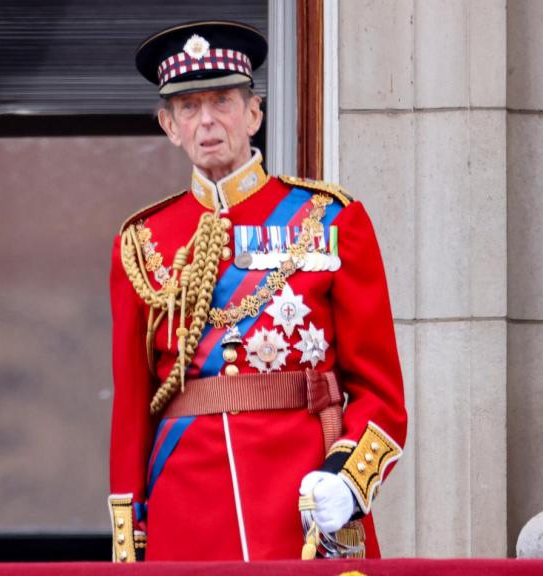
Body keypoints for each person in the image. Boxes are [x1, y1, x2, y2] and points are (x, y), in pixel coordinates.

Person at [107, 21, 407, 562]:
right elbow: (131, 413)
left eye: (222, 101)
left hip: (304, 497)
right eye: (188, 107)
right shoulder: (143, 241)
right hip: (186, 507)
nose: (207, 121)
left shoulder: (330, 220)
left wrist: (348, 479)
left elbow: (381, 392)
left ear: (254, 113)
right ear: (168, 125)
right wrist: (133, 545)